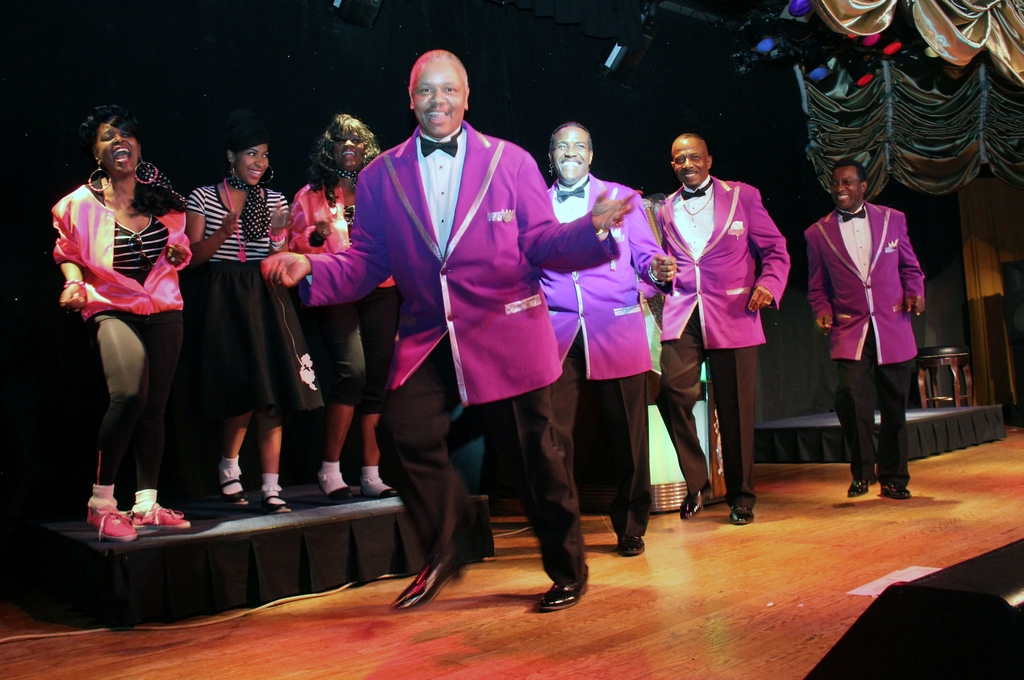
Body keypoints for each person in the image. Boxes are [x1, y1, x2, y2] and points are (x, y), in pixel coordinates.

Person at [262, 50, 634, 612]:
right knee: (399, 435)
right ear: (411, 99)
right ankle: (451, 537)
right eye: (426, 91)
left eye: (449, 90)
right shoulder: (381, 175)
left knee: (536, 459)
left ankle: (567, 568)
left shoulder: (511, 162)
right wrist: (310, 267)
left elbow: (541, 243)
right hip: (432, 334)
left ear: (466, 97)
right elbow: (367, 262)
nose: (438, 101)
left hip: (507, 329)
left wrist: (590, 230)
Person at [53, 105, 192, 541]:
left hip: (163, 309)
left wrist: (178, 255)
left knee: (155, 407)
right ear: (96, 152)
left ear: (138, 147)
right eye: (108, 136)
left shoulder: (163, 200)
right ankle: (101, 505)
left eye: (127, 134)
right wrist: (73, 283)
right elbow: (69, 253)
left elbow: (181, 249)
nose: (120, 141)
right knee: (130, 393)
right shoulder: (77, 205)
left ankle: (146, 505)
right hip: (110, 306)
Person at [540, 122, 676, 558]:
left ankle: (631, 525)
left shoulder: (621, 198)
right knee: (552, 435)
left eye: (579, 146)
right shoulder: (535, 203)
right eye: (562, 147)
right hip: (557, 331)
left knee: (628, 435)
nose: (571, 152)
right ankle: (563, 530)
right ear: (551, 157)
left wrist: (657, 269)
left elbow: (646, 255)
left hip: (616, 328)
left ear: (592, 155)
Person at [185, 109, 322, 514]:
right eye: (251, 154)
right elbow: (192, 259)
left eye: (264, 154)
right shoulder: (203, 197)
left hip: (266, 295)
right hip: (225, 297)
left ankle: (271, 485)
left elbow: (278, 258)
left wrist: (279, 233)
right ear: (231, 156)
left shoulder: (274, 199)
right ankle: (229, 469)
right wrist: (222, 233)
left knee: (273, 391)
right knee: (242, 390)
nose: (259, 162)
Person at [654, 133, 790, 526]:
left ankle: (741, 496)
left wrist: (769, 284)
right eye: (680, 159)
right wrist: (658, 274)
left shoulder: (742, 196)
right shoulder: (665, 209)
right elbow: (663, 265)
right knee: (671, 391)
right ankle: (697, 482)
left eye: (694, 157)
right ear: (673, 165)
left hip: (734, 311)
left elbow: (776, 249)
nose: (687, 164)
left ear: (709, 160)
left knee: (735, 410)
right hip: (685, 312)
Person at [288, 114, 398, 500]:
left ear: (366, 148)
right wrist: (314, 235)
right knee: (352, 373)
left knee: (377, 378)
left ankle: (371, 473)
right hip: (336, 287)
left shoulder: (380, 188)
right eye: (340, 140)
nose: (349, 145)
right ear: (330, 149)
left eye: (355, 140)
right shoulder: (311, 194)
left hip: (381, 287)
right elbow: (293, 247)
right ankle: (330, 469)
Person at [805, 158, 925, 500]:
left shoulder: (892, 219)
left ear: (863, 186)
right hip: (850, 328)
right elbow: (817, 286)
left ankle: (894, 477)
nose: (840, 188)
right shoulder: (817, 233)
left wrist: (915, 293)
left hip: (892, 324)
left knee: (894, 404)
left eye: (847, 182)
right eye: (835, 183)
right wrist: (822, 311)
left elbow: (910, 268)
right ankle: (862, 472)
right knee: (850, 397)